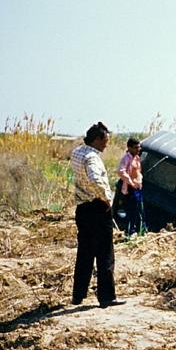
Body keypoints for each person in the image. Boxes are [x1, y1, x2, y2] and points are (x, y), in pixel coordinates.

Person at [70, 122, 124, 308]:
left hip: (82, 208)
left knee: (84, 252)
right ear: (97, 139)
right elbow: (95, 178)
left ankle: (78, 295)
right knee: (105, 254)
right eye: (105, 141)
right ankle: (107, 297)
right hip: (98, 208)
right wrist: (107, 198)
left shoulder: (78, 152)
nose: (106, 145)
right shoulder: (92, 157)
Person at [117, 137, 144, 236]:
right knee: (131, 212)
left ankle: (138, 231)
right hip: (130, 189)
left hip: (138, 188)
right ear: (129, 148)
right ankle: (129, 232)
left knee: (139, 211)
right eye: (136, 147)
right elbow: (121, 171)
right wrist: (130, 182)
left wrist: (139, 182)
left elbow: (138, 172)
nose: (138, 149)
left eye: (139, 147)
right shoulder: (126, 158)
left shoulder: (136, 158)